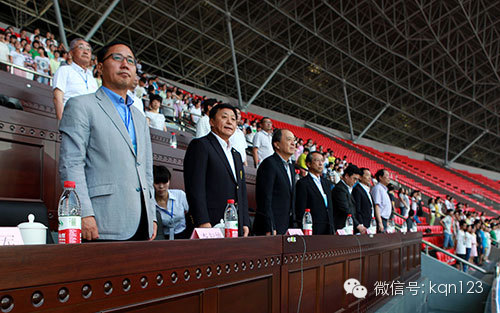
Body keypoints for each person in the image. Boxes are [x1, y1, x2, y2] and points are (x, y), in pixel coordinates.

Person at [59, 41, 157, 241]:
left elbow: (146, 171)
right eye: (117, 58)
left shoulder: (139, 117)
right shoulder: (81, 105)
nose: (125, 64)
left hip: (141, 221)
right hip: (101, 220)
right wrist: (83, 212)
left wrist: (152, 215)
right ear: (100, 67)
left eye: (130, 60)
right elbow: (72, 163)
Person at [183, 103, 250, 236]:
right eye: (224, 117)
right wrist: (202, 220)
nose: (229, 122)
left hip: (234, 224)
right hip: (210, 224)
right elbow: (195, 186)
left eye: (233, 119)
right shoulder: (201, 145)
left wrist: (245, 221)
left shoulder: (236, 155)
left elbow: (241, 190)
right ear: (212, 122)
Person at [253, 129, 297, 235]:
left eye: (294, 140)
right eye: (288, 139)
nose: (293, 143)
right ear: (277, 144)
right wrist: (269, 226)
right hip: (271, 228)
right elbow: (264, 199)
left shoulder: (291, 167)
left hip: (286, 225)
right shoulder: (269, 164)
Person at [53, 38, 98, 120]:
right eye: (81, 47)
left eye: (88, 49)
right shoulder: (64, 70)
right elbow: (58, 98)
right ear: (71, 53)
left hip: (91, 122)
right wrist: (62, 123)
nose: (85, 52)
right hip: (72, 119)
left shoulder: (92, 78)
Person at [295, 151, 334, 235]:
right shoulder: (303, 183)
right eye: (317, 160)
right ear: (308, 164)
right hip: (313, 229)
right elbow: (300, 208)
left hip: (329, 227)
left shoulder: (326, 183)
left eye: (322, 161)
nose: (320, 164)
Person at [153, 165, 190, 239]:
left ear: (169, 181)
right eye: (157, 183)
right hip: (163, 237)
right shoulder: (151, 203)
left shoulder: (180, 195)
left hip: (184, 234)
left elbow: (191, 212)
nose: (161, 186)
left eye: (164, 182)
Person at [331, 164, 366, 233]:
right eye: (354, 179)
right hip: (341, 227)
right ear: (346, 176)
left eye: (357, 180)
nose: (355, 182)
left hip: (348, 226)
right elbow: (345, 209)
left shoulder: (347, 189)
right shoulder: (340, 189)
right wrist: (357, 225)